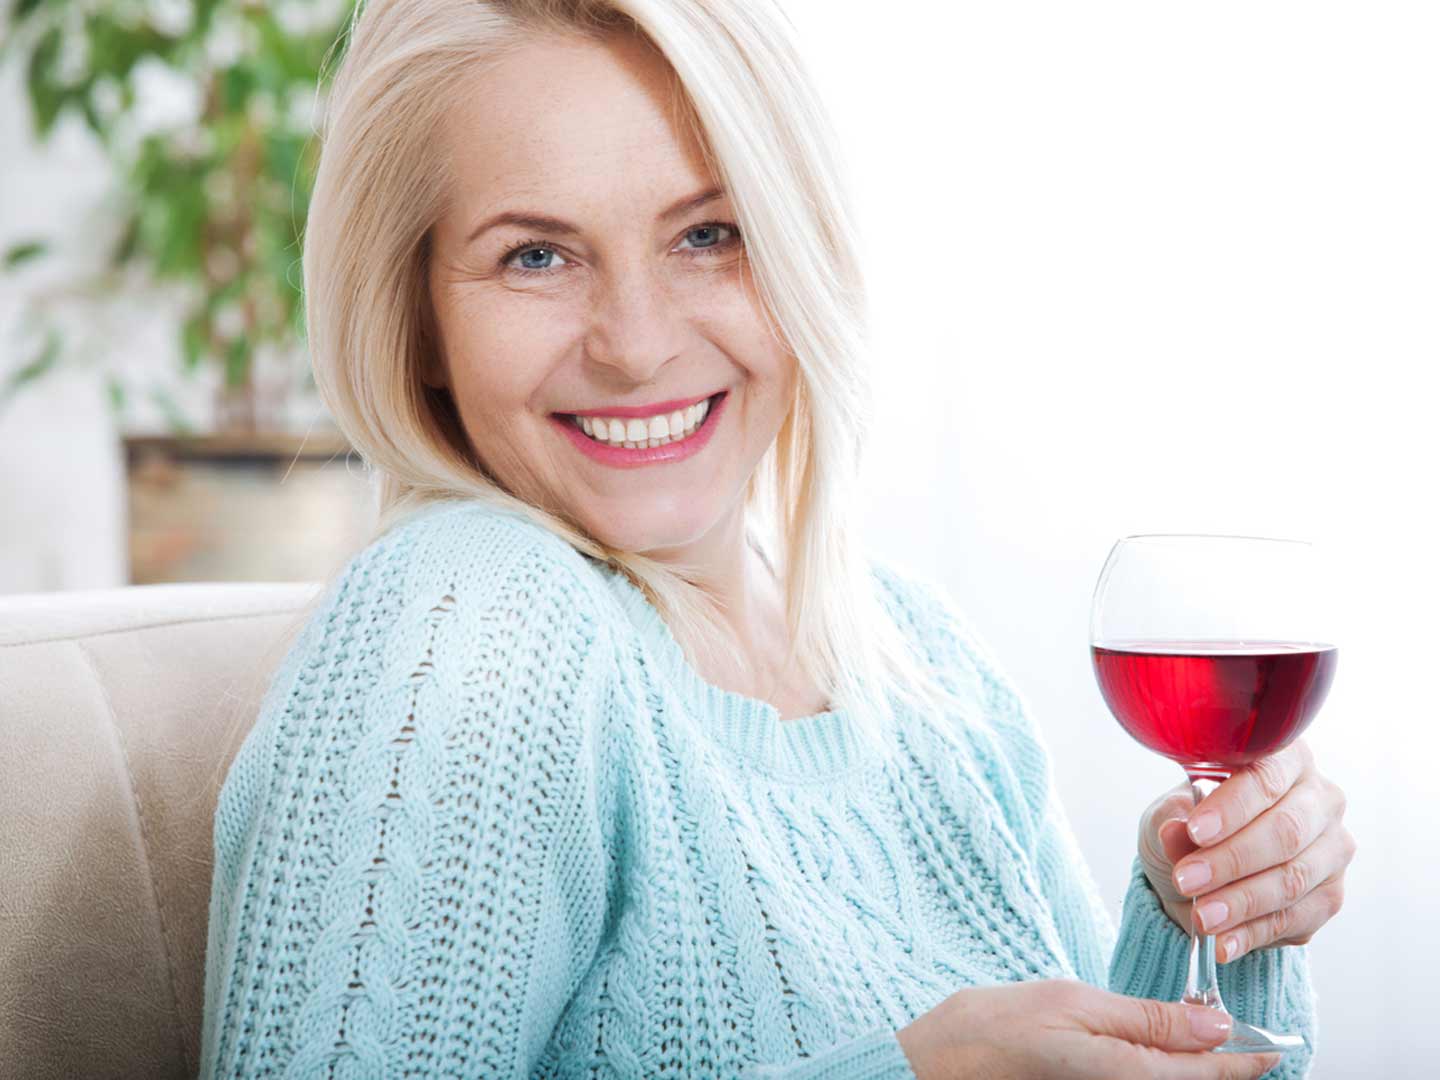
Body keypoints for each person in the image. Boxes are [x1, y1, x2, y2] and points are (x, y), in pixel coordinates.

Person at [197, 2, 1355, 1077]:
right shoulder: (469, 622)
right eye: (535, 255)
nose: (637, 344)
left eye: (708, 234)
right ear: (421, 320)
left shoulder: (919, 653)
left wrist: (1206, 912)